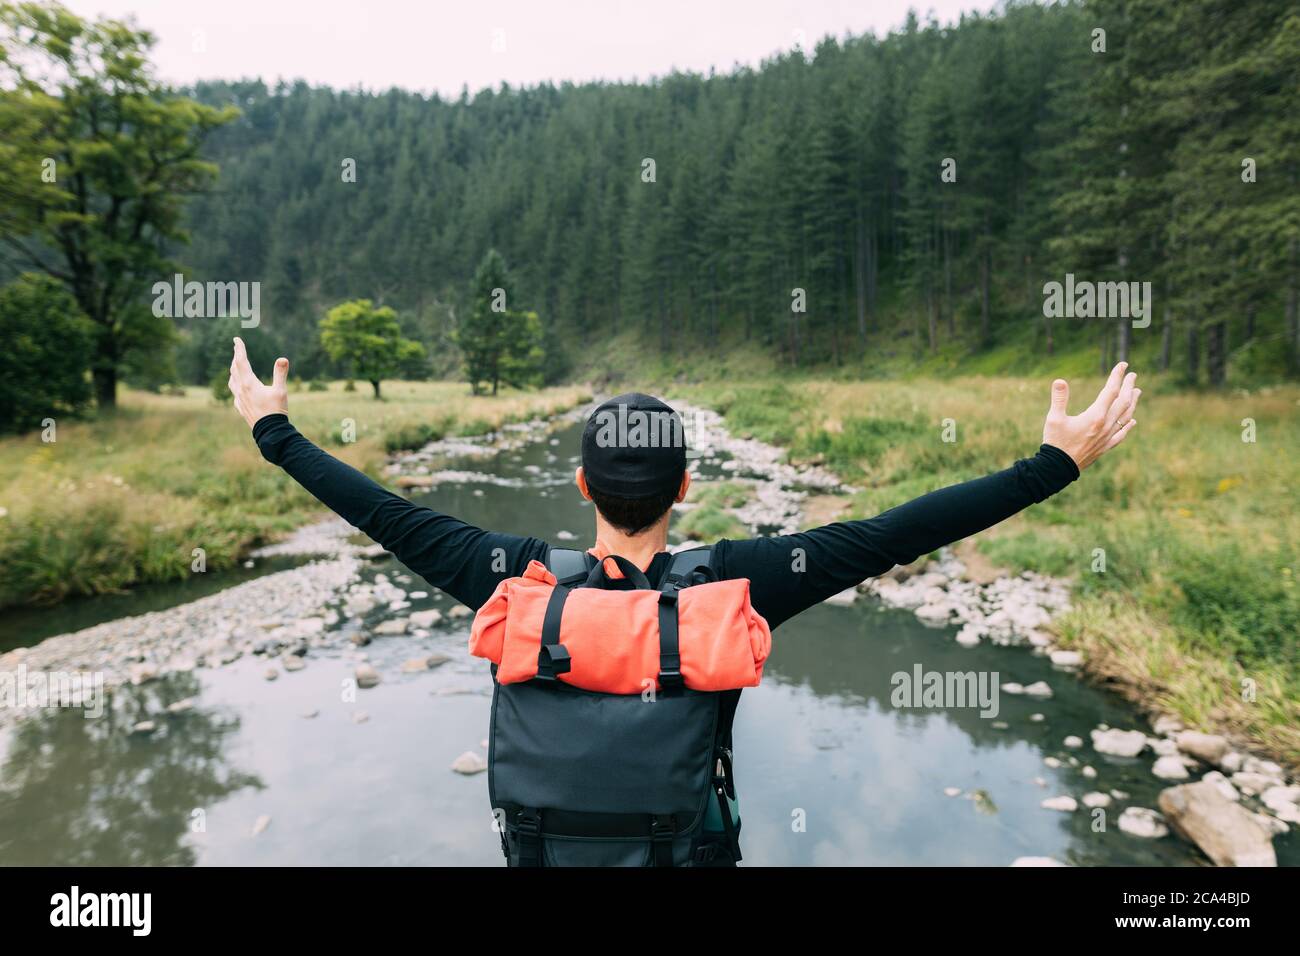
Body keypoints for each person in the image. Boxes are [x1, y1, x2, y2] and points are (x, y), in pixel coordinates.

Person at [228, 337, 1140, 864]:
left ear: (582, 486)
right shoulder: (735, 582)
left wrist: (274, 429)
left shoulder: (507, 574)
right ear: (688, 487)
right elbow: (898, 532)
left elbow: (382, 512)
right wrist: (1053, 465)